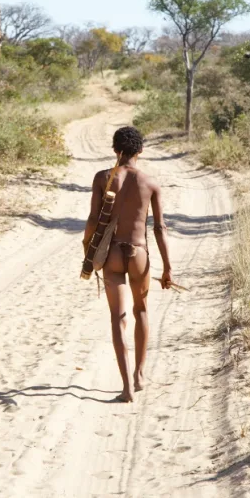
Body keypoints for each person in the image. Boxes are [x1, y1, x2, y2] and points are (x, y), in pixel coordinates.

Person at [83, 126, 174, 403]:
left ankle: (126, 388)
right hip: (140, 254)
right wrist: (168, 267)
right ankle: (139, 375)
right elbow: (159, 228)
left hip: (110, 253)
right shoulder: (150, 183)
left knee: (117, 317)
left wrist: (88, 248)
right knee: (141, 311)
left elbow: (93, 220)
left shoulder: (103, 178)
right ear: (141, 151)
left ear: (115, 150)